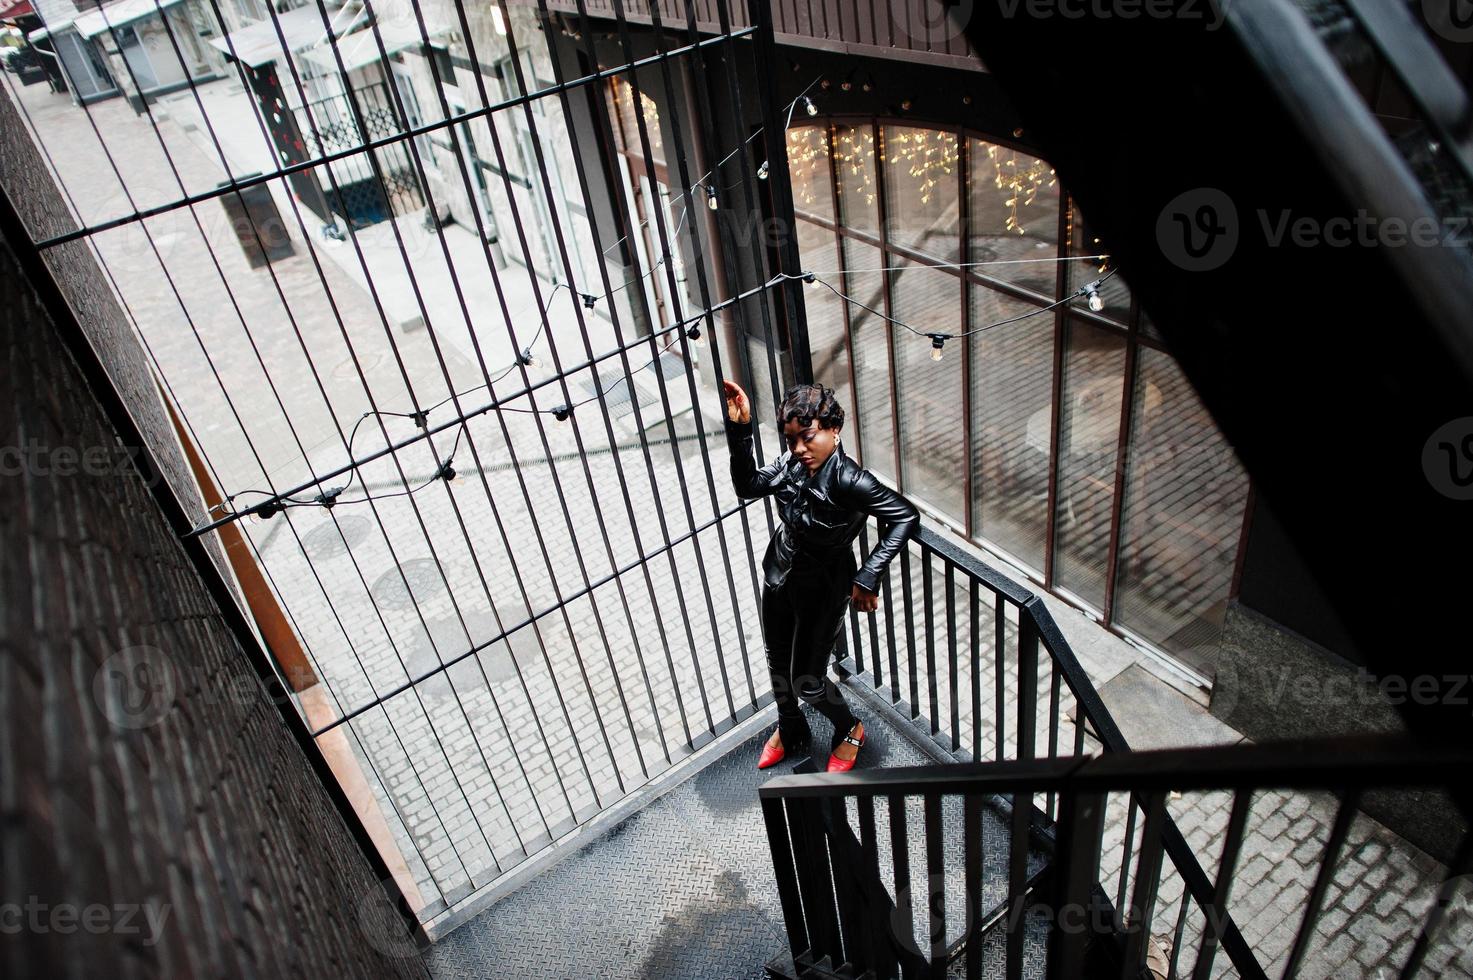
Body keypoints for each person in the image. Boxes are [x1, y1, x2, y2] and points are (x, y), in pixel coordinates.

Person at [723, 379, 919, 772]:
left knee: (807, 681)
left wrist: (867, 577)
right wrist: (740, 429)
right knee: (776, 661)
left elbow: (905, 516)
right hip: (780, 573)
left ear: (833, 430)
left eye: (807, 437)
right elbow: (748, 486)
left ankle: (850, 728)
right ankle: (790, 724)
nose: (799, 448)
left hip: (824, 587)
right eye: (792, 439)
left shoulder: (849, 479)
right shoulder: (793, 462)